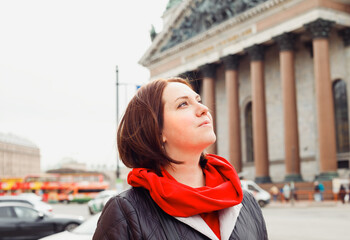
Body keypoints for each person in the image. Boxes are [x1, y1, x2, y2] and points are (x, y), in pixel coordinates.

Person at [93, 78, 268, 240]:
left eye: (198, 100)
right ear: (156, 131)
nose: (204, 109)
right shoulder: (126, 212)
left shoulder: (245, 201)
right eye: (183, 104)